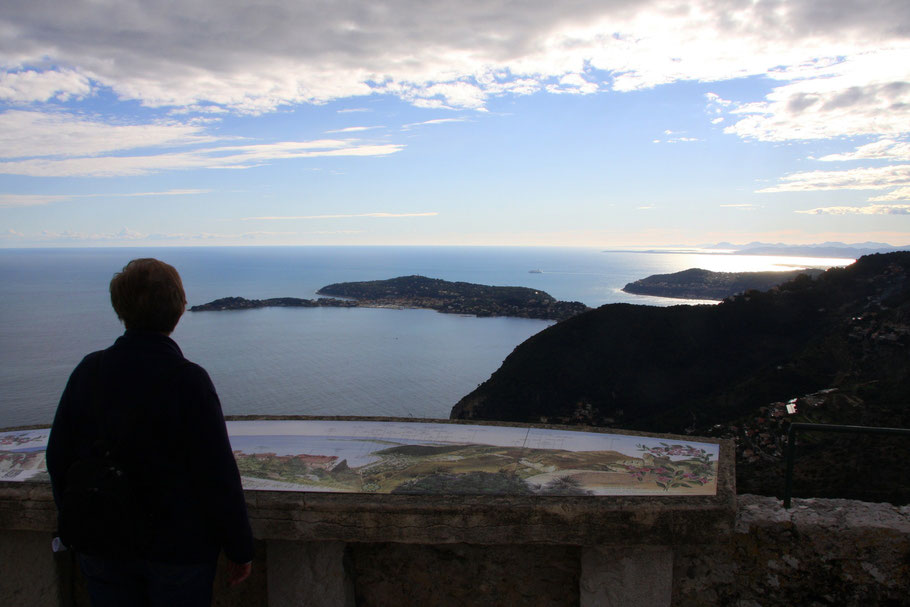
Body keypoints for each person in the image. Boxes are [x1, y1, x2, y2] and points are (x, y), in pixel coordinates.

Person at [47, 258, 253, 606]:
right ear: (179, 309)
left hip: (102, 542)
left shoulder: (89, 370)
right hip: (177, 549)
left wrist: (78, 516)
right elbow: (217, 474)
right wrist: (239, 547)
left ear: (120, 309)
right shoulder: (188, 380)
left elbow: (58, 457)